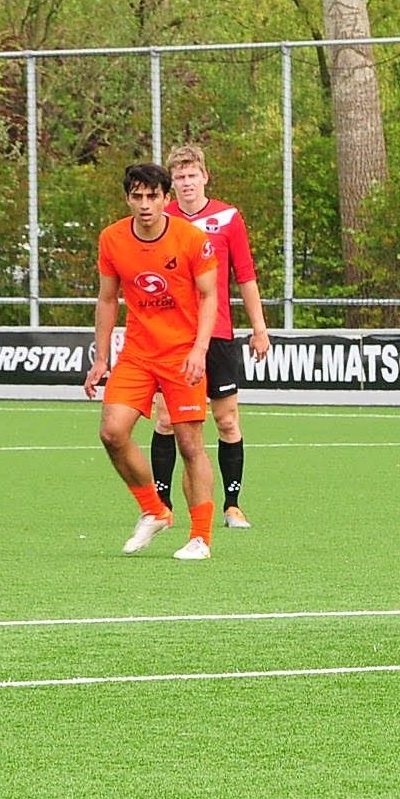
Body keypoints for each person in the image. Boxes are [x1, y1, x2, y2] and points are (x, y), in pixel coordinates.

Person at [84, 162, 221, 560]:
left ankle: (201, 537)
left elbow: (210, 296)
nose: (145, 204)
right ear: (128, 198)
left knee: (190, 444)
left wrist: (199, 349)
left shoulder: (191, 239)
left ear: (166, 198)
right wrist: (100, 357)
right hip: (138, 354)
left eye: (152, 196)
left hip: (182, 355)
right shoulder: (111, 239)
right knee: (111, 432)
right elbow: (108, 300)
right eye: (137, 196)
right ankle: (154, 510)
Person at [149, 144, 272, 530]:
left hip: (218, 335)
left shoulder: (227, 218)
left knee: (227, 421)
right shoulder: (160, 218)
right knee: (166, 418)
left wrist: (259, 328)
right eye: (179, 177)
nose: (186, 183)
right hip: (173, 337)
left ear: (204, 176)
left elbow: (245, 275)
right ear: (172, 183)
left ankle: (232, 505)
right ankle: (161, 505)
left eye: (192, 175)